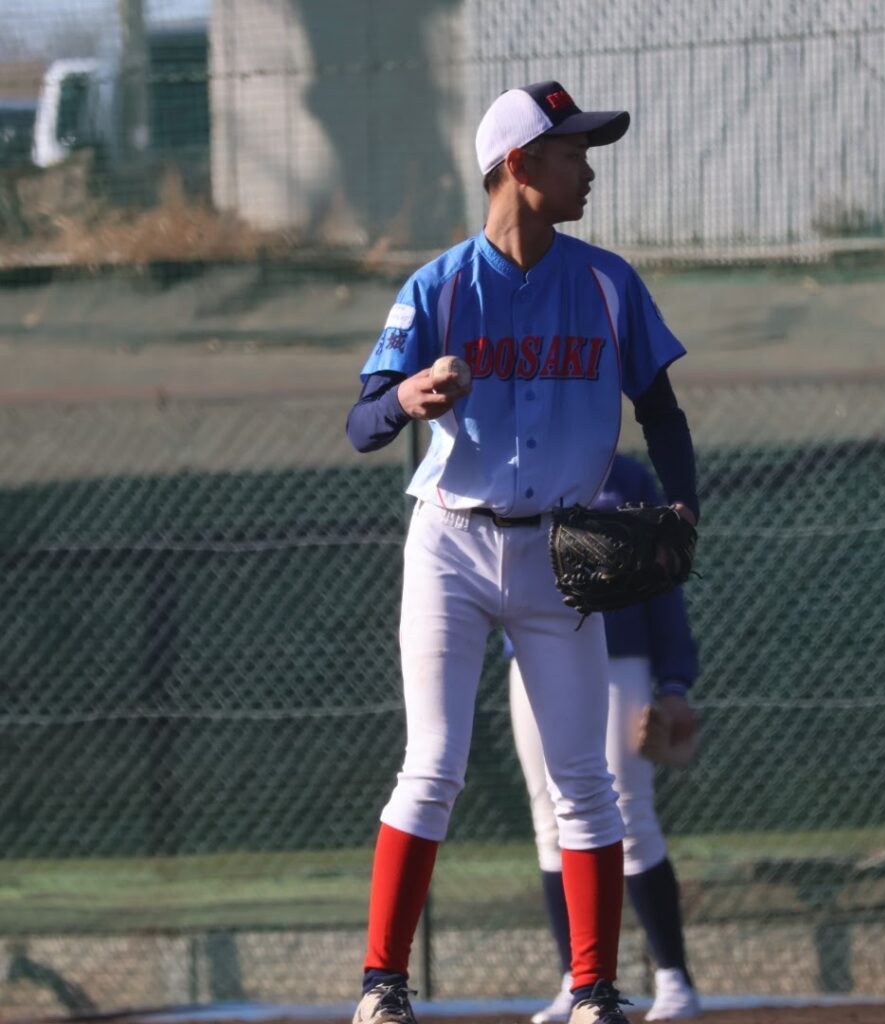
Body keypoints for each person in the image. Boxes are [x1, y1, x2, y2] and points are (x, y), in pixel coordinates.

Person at [345, 80, 700, 1024]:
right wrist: (406, 396)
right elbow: (361, 424)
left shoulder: (607, 283)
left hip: (559, 553)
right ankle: (382, 986)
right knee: (433, 765)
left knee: (584, 780)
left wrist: (682, 508)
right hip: (451, 547)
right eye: (572, 152)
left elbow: (661, 412)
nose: (588, 169)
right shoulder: (437, 287)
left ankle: (593, 991)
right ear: (517, 165)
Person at [508, 453, 701, 1022]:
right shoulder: (520, 465)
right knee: (550, 822)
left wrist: (674, 682)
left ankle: (674, 979)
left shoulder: (628, 477)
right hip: (533, 659)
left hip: (621, 658)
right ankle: (577, 980)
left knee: (629, 816)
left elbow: (665, 580)